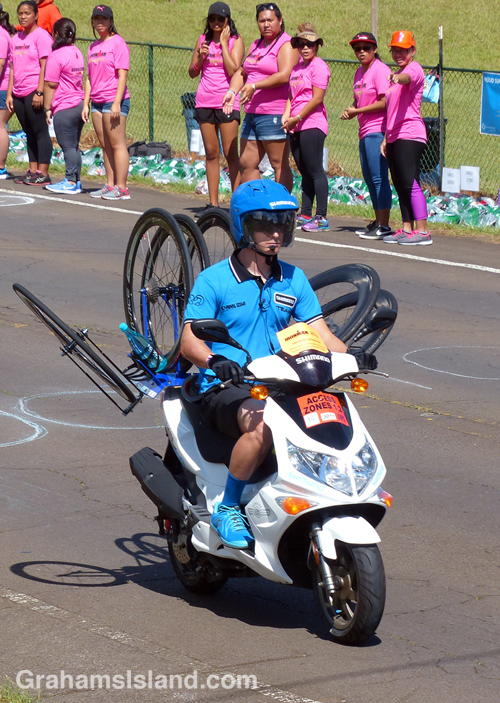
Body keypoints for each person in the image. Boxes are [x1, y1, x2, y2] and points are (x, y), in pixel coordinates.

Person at [180, 179, 377, 549]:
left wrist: (351, 357)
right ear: (242, 226)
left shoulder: (293, 278)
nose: (275, 233)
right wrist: (215, 359)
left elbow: (322, 334)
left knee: (333, 416)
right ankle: (229, 506)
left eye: (282, 224)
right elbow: (189, 339)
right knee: (263, 425)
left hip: (282, 380)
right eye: (264, 225)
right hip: (227, 385)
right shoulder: (214, 280)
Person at [222, 3, 297, 191]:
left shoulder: (287, 44)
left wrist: (255, 86)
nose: (266, 24)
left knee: (277, 163)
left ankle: (284, 210)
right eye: (262, 20)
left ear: (280, 21)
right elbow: (243, 72)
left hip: (274, 112)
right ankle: (255, 211)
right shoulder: (256, 45)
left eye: (270, 20)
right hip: (252, 112)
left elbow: (284, 75)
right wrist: (232, 92)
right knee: (247, 162)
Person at [189, 2, 244, 211]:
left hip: (227, 103)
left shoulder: (235, 41)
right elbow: (192, 72)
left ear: (228, 20)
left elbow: (234, 70)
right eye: (212, 19)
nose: (216, 23)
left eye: (221, 19)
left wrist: (222, 44)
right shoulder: (202, 40)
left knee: (231, 154)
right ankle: (213, 204)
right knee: (211, 153)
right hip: (204, 101)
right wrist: (201, 58)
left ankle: (237, 204)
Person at [380, 31, 432, 246]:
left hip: (410, 133)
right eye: (394, 50)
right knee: (400, 183)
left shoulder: (414, 69)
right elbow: (391, 110)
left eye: (403, 50)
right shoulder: (396, 73)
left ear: (413, 50)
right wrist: (385, 138)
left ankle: (423, 230)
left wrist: (397, 77)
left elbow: (408, 78)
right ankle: (407, 227)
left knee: (410, 182)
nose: (398, 53)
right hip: (394, 135)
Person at [340, 32, 392, 240]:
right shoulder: (359, 73)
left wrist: (358, 111)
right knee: (370, 179)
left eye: (366, 48)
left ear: (375, 49)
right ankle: (378, 222)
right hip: (364, 130)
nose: (361, 52)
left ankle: (385, 225)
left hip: (378, 129)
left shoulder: (380, 70)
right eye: (357, 48)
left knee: (379, 178)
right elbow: (359, 102)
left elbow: (385, 102)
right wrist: (351, 110)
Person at [282, 23, 330, 232]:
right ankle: (306, 214)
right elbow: (291, 96)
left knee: (315, 170)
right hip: (296, 124)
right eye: (301, 44)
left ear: (316, 46)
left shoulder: (319, 66)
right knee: (304, 170)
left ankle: (321, 217)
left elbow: (317, 98)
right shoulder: (296, 68)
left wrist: (298, 117)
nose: (305, 48)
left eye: (310, 44)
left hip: (312, 122)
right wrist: (287, 115)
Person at [82, 5, 131, 201]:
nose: (99, 22)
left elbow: (122, 75)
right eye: (96, 19)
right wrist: (86, 103)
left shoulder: (118, 43)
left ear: (111, 21)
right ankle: (110, 184)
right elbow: (89, 78)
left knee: (117, 144)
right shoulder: (93, 47)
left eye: (104, 18)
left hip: (113, 100)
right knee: (104, 144)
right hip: (97, 101)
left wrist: (117, 102)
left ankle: (122, 187)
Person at [6, 0, 52, 185]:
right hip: (18, 92)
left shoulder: (41, 37)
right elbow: (11, 68)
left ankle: (43, 172)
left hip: (34, 90)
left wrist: (40, 92)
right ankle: (33, 170)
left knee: (40, 131)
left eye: (27, 13)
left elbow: (45, 66)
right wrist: (10, 94)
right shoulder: (16, 38)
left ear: (35, 15)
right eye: (20, 14)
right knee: (29, 132)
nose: (23, 17)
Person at [43, 18, 85, 193]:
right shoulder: (77, 52)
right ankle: (76, 180)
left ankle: (69, 181)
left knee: (68, 146)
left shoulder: (56, 56)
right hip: (79, 104)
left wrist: (47, 109)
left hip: (64, 106)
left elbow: (50, 85)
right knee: (74, 146)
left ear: (56, 34)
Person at [0, 2, 15, 179]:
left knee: (0, 126)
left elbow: (1, 64)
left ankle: (1, 167)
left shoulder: (1, 36)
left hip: (2, 87)